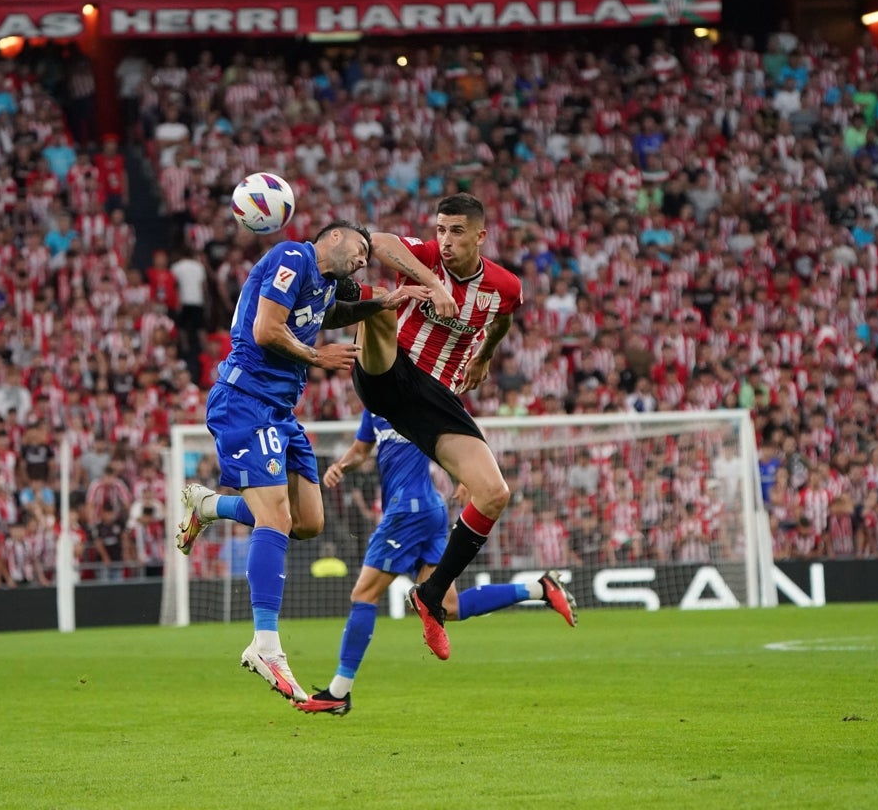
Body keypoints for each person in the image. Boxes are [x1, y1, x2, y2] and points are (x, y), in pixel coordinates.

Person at [173, 219, 427, 703]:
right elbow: (266, 329)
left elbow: (327, 313)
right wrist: (317, 356)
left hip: (280, 412)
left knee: (307, 522)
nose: (363, 257)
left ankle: (208, 506)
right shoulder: (294, 257)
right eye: (359, 247)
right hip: (245, 400)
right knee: (276, 517)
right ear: (333, 236)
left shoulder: (323, 286)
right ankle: (266, 644)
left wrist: (380, 302)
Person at [352, 193, 577, 660]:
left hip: (433, 398)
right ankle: (316, 303)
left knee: (494, 493)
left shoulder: (504, 286)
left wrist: (485, 355)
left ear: (480, 236)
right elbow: (377, 240)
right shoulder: (427, 256)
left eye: (456, 231)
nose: (445, 240)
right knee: (377, 304)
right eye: (440, 229)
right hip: (389, 371)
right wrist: (432, 283)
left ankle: (431, 595)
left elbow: (502, 319)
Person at [297, 410, 562, 716]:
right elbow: (360, 450)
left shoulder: (410, 395)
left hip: (407, 512)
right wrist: (340, 466)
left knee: (363, 595)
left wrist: (467, 478)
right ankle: (539, 588)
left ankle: (338, 693)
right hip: (429, 510)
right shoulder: (373, 407)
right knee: (448, 607)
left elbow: (467, 432)